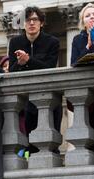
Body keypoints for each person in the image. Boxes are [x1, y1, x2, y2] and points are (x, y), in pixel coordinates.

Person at [8, 6, 61, 156]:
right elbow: (11, 70)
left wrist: (28, 60)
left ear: (41, 23)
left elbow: (49, 68)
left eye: (35, 19)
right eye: (27, 19)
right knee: (28, 143)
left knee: (51, 143)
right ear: (23, 23)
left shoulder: (52, 42)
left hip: (49, 98)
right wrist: (20, 62)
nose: (31, 23)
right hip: (25, 100)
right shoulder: (15, 43)